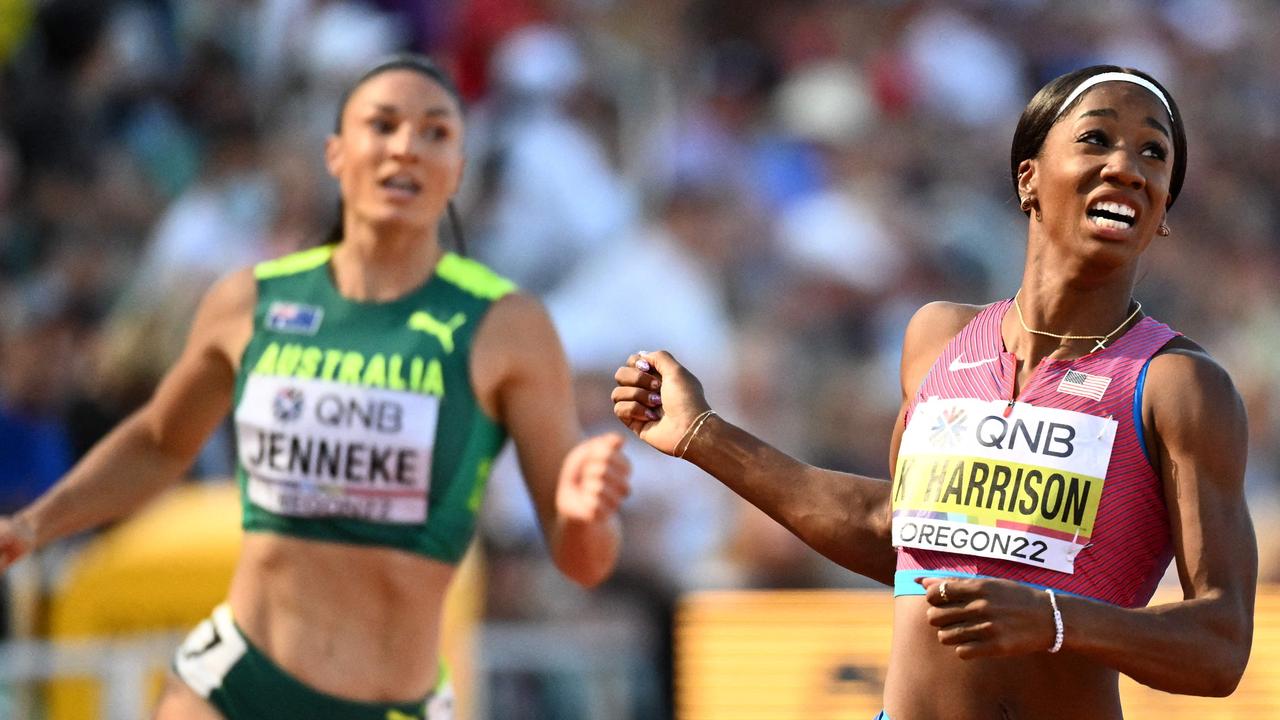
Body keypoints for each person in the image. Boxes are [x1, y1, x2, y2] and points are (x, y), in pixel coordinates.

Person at [612, 65, 1256, 719]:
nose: (1128, 166)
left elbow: (1222, 645)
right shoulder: (938, 337)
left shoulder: (1178, 385)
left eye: (1154, 152)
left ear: (1165, 211)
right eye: (1097, 139)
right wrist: (702, 435)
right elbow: (892, 533)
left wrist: (1057, 621)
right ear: (1027, 177)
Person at [0, 53, 631, 720]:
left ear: (459, 169)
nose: (406, 148)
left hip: (392, 700)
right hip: (235, 680)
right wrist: (33, 526)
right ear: (334, 153)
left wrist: (587, 518)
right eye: (382, 125)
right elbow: (159, 444)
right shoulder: (252, 301)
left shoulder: (505, 328)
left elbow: (584, 560)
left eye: (435, 132)